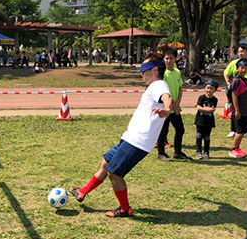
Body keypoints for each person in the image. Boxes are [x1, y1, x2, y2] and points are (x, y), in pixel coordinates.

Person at [69, 55, 172, 217]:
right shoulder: (154, 86)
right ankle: (82, 191)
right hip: (130, 137)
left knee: (114, 173)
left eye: (144, 69)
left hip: (138, 141)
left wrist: (167, 108)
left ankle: (125, 209)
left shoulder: (158, 85)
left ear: (155, 69)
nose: (141, 73)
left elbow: (167, 97)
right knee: (106, 162)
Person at [156, 49, 191, 160]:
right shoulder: (162, 74)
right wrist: (169, 105)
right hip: (165, 108)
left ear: (175, 59)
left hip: (175, 108)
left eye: (171, 58)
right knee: (163, 131)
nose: (169, 61)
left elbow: (180, 88)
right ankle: (161, 153)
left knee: (180, 129)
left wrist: (177, 102)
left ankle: (178, 152)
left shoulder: (177, 72)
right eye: (166, 58)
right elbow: (162, 92)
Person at [223, 44, 247, 140]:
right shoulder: (234, 63)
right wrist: (228, 83)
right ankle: (233, 129)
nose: (240, 53)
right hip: (237, 91)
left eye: (242, 51)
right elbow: (226, 73)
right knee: (235, 109)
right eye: (239, 51)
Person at [229, 59, 247, 158]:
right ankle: (233, 149)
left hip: (246, 110)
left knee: (243, 130)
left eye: (246, 68)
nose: (244, 70)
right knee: (240, 131)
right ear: (237, 68)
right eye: (242, 68)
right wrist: (237, 110)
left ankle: (238, 148)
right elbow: (234, 95)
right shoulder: (236, 80)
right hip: (239, 110)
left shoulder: (246, 80)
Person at [194, 80, 218, 159]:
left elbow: (212, 110)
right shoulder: (201, 97)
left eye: (211, 88)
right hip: (200, 121)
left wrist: (202, 108)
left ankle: (206, 152)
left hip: (209, 122)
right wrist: (206, 109)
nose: (209, 90)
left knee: (207, 137)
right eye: (207, 88)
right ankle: (198, 152)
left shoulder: (215, 99)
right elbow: (198, 107)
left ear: (215, 90)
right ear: (205, 88)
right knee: (199, 136)